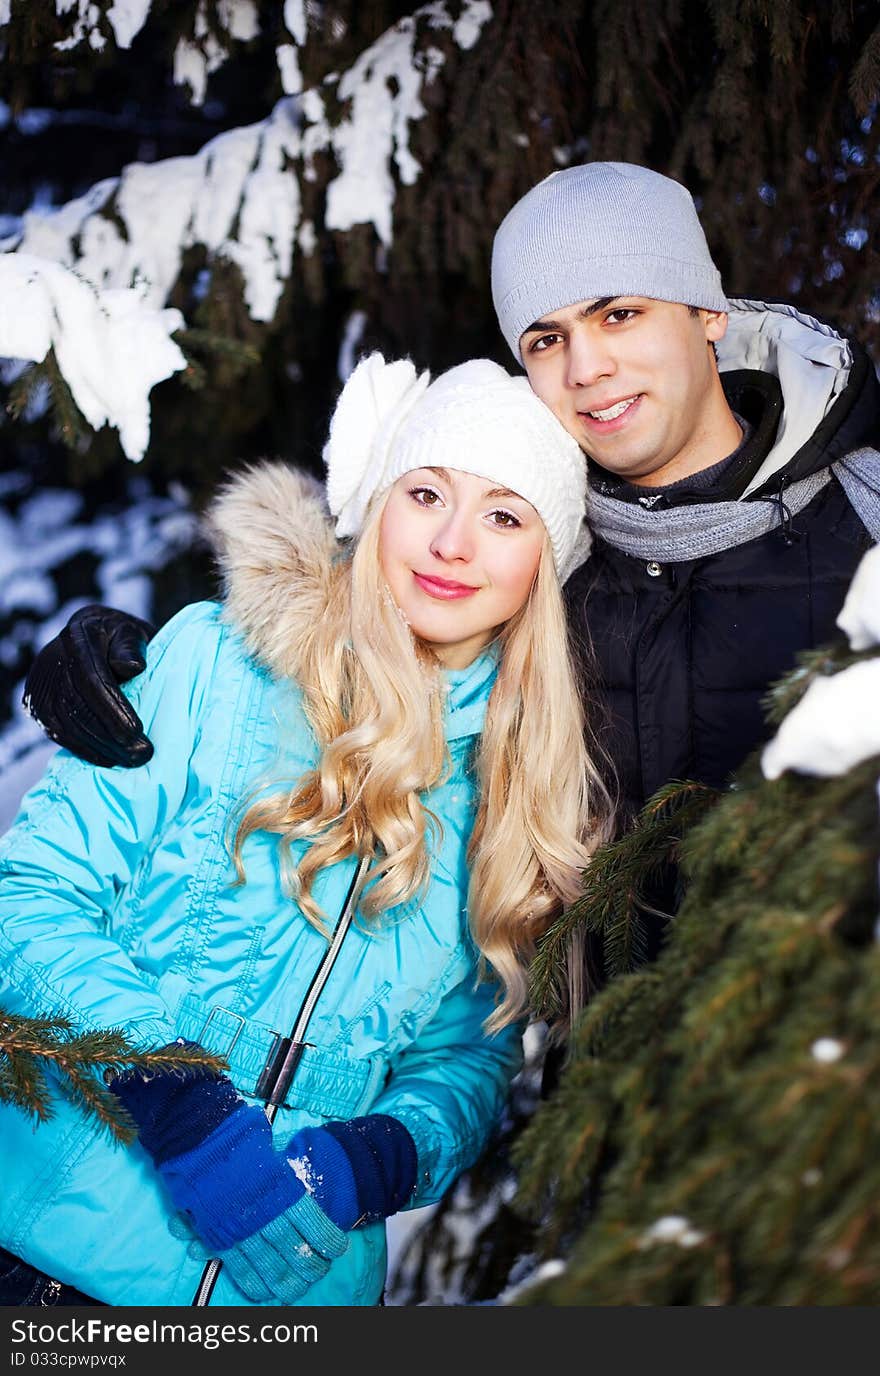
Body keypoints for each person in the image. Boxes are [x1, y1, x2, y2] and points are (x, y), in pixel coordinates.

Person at [23, 164, 880, 964]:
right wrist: (130, 666)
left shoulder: (866, 518)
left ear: (708, 312)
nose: (588, 368)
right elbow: (349, 643)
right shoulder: (533, 550)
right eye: (546, 339)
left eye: (620, 313)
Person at [0, 356, 610, 1308]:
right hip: (46, 1249)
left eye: (503, 515)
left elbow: (470, 1048)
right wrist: (182, 1111)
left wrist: (380, 1158)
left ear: (546, 556)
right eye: (426, 494)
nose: (453, 543)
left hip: (296, 1290)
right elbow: (31, 900)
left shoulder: (525, 779)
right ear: (378, 506)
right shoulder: (218, 661)